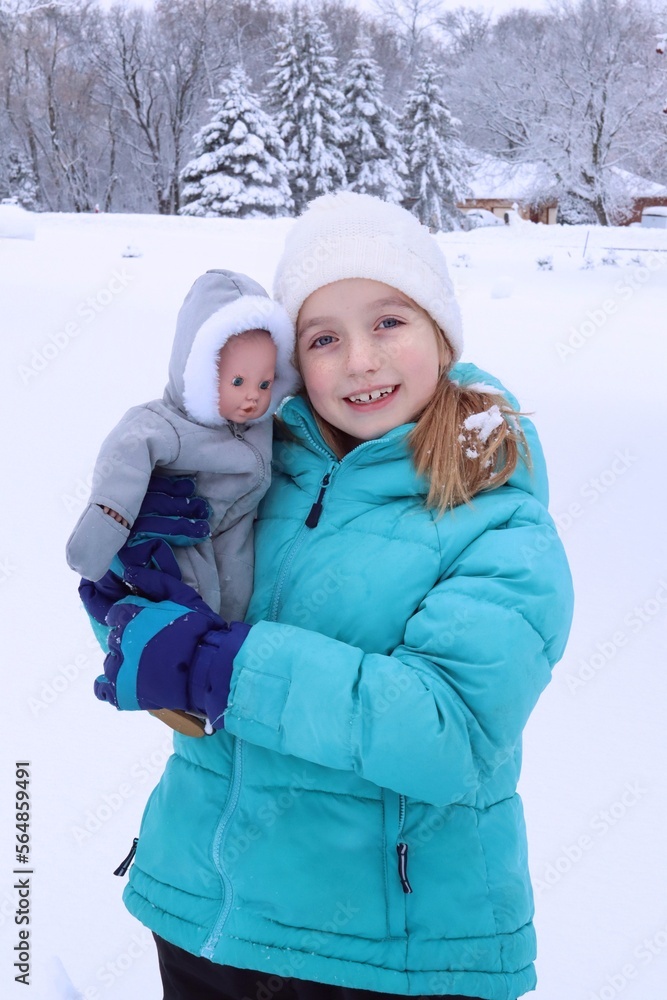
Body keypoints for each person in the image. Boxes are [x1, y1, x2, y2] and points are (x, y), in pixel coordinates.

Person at [82, 192, 574, 1000]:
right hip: (203, 917)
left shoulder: (499, 519)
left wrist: (220, 665)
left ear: (440, 334)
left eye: (388, 322)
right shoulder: (247, 477)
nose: (358, 361)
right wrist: (132, 600)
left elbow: (445, 729)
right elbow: (175, 649)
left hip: (383, 955)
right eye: (323, 337)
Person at [66, 268, 298, 624]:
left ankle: (220, 649)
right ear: (201, 370)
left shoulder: (259, 425)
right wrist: (112, 513)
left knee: (233, 610)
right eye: (238, 380)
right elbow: (126, 451)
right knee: (189, 611)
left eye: (265, 383)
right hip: (183, 536)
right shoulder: (169, 423)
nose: (253, 396)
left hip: (234, 537)